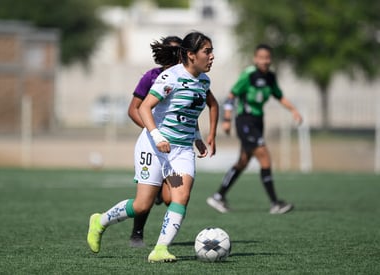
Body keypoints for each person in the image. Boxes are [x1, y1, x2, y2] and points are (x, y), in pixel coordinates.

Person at [87, 31, 217, 262]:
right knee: (142, 205)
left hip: (182, 150)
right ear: (191, 54)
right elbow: (144, 108)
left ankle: (160, 249)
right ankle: (100, 221)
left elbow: (188, 112)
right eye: (207, 51)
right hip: (153, 147)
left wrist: (198, 137)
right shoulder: (170, 78)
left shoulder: (204, 81)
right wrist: (157, 137)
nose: (212, 56)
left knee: (181, 196)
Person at [206, 43, 302, 214]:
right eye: (261, 57)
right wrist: (227, 119)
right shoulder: (248, 75)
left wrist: (294, 110)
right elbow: (231, 95)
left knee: (243, 161)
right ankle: (275, 203)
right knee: (264, 156)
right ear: (255, 58)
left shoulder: (270, 77)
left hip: (258, 121)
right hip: (245, 121)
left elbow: (279, 96)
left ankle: (218, 196)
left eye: (267, 58)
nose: (265, 61)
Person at [127, 36, 183, 248]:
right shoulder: (152, 76)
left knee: (171, 198)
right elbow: (134, 109)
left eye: (180, 51)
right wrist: (154, 132)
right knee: (144, 200)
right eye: (173, 51)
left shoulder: (187, 78)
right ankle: (137, 233)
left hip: (176, 147)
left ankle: (161, 192)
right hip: (154, 145)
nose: (177, 56)